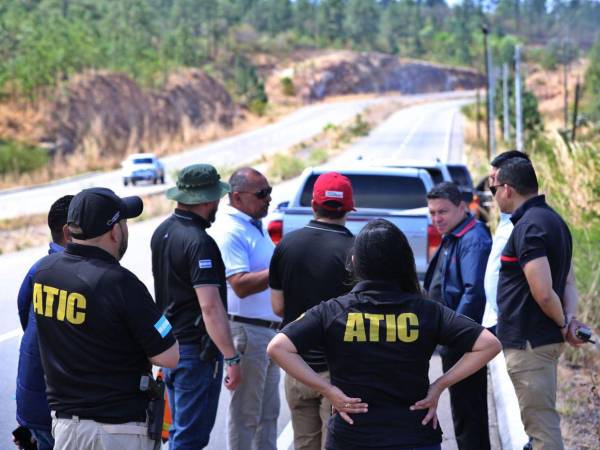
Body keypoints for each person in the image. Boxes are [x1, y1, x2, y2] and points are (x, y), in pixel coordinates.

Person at [267, 219, 502, 450]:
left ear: (354, 261)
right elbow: (489, 344)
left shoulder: (334, 311)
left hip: (352, 437)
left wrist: (328, 390)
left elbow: (278, 348)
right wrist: (440, 385)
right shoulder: (427, 310)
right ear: (404, 262)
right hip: (414, 434)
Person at [32, 187, 179, 450]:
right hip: (117, 431)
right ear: (114, 231)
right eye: (124, 222)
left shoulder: (44, 272)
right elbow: (169, 356)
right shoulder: (120, 283)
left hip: (66, 429)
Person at [492, 158, 588, 450]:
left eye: (494, 188)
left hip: (529, 343)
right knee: (539, 428)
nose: (493, 196)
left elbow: (544, 292)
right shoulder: (553, 220)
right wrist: (569, 319)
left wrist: (563, 323)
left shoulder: (529, 226)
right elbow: (568, 282)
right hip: (540, 341)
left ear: (508, 189)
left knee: (542, 431)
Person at [151, 164, 242, 449]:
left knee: (178, 432)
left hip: (170, 346)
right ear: (206, 200)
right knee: (190, 437)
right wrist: (231, 358)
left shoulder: (162, 231)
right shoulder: (200, 242)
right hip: (195, 352)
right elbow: (210, 307)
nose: (218, 204)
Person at [269, 172, 355, 450]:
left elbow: (277, 307)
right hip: (339, 370)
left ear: (313, 205)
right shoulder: (355, 250)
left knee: (304, 443)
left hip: (297, 365)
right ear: (348, 208)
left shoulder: (286, 245)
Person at [209, 167, 280, 450]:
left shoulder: (253, 225)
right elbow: (239, 284)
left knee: (268, 414)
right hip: (248, 331)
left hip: (268, 332)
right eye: (262, 193)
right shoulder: (231, 231)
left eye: (269, 191)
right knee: (246, 416)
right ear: (237, 197)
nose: (268, 198)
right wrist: (281, 267)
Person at [423, 181, 492, 450]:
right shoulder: (453, 234)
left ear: (462, 207)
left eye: (443, 212)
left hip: (463, 341)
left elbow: (473, 293)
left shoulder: (473, 239)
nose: (437, 218)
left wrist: (456, 335)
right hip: (453, 338)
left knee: (469, 413)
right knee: (462, 411)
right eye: (432, 213)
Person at [15, 195, 73, 450]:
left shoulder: (38, 269)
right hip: (56, 409)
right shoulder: (78, 275)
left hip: (33, 402)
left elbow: (24, 316)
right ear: (69, 232)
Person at [483, 150, 531, 332]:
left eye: (495, 179)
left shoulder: (528, 224)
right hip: (494, 320)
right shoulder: (505, 217)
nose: (492, 185)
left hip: (510, 324)